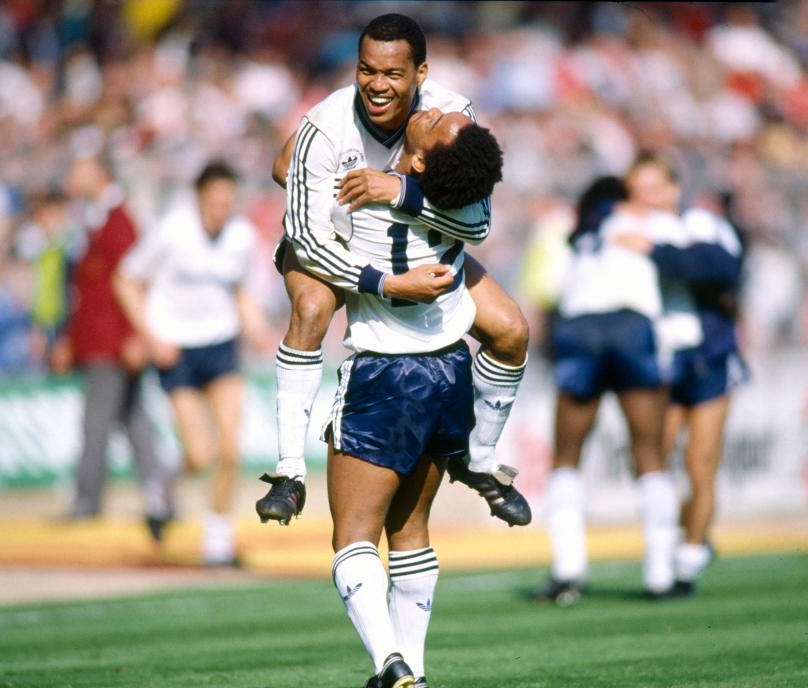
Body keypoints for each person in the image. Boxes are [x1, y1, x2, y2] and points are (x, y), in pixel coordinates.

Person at [255, 13, 530, 529]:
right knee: (311, 307)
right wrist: (376, 275)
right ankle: (289, 471)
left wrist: (397, 192)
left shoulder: (452, 115)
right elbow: (300, 215)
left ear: (420, 73)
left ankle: (480, 461)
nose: (377, 85)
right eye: (366, 70)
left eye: (393, 74)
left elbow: (478, 220)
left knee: (511, 330)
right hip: (334, 240)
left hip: (412, 249)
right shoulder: (327, 124)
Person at [304, 96, 504, 687]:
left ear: (419, 163)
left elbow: (315, 248)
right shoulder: (456, 203)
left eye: (441, 123)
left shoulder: (363, 192)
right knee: (412, 532)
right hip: (449, 370)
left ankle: (389, 664)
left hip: (385, 373)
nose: (438, 107)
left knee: (353, 535)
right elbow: (478, 221)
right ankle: (414, 670)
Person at [537, 157, 695, 604]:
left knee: (567, 453)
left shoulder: (583, 234)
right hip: (630, 324)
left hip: (580, 326)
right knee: (649, 450)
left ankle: (568, 572)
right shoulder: (652, 221)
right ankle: (660, 574)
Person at [114, 160, 273, 566]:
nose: (221, 209)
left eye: (227, 202)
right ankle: (161, 489)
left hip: (219, 346)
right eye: (214, 201)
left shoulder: (241, 237)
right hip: (176, 350)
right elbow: (125, 280)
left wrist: (257, 328)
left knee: (231, 450)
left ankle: (217, 543)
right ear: (200, 198)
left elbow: (239, 291)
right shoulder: (172, 231)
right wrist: (151, 338)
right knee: (200, 454)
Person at [614, 190, 746, 595]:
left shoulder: (701, 224)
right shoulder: (624, 224)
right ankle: (684, 536)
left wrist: (656, 251)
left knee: (700, 463)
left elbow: (722, 267)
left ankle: (688, 560)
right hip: (660, 359)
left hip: (707, 355)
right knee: (655, 457)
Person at [53, 154, 173, 542]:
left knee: (98, 423)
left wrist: (134, 335)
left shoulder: (118, 221)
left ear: (99, 173)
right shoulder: (101, 219)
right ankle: (162, 498)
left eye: (80, 168)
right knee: (135, 422)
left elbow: (131, 282)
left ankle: (88, 502)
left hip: (111, 343)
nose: (73, 176)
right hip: (104, 341)